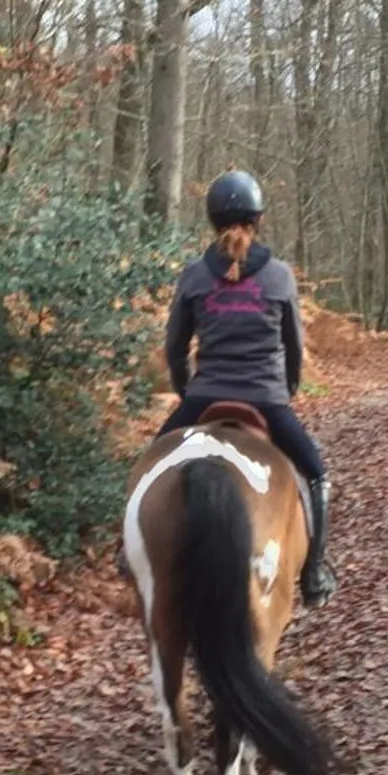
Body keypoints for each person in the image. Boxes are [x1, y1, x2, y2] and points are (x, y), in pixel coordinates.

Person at [158, 169, 337, 608]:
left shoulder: (194, 276)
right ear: (258, 220)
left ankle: (129, 551)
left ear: (212, 220)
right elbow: (294, 346)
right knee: (316, 474)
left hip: (205, 396)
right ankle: (314, 572)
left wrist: (186, 391)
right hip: (266, 399)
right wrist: (285, 391)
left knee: (152, 463)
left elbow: (175, 346)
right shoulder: (279, 277)